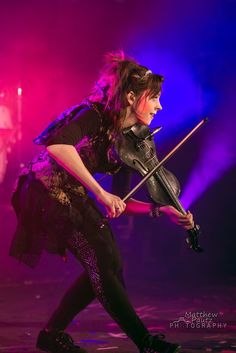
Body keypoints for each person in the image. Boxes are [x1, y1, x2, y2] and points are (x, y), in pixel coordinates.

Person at [10, 51, 194, 353]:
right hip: (45, 191)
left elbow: (119, 201)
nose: (160, 105)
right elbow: (57, 145)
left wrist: (160, 210)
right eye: (155, 98)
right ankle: (146, 343)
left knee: (109, 265)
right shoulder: (93, 114)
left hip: (74, 194)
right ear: (132, 96)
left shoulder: (127, 141)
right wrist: (100, 192)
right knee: (104, 262)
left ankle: (51, 334)